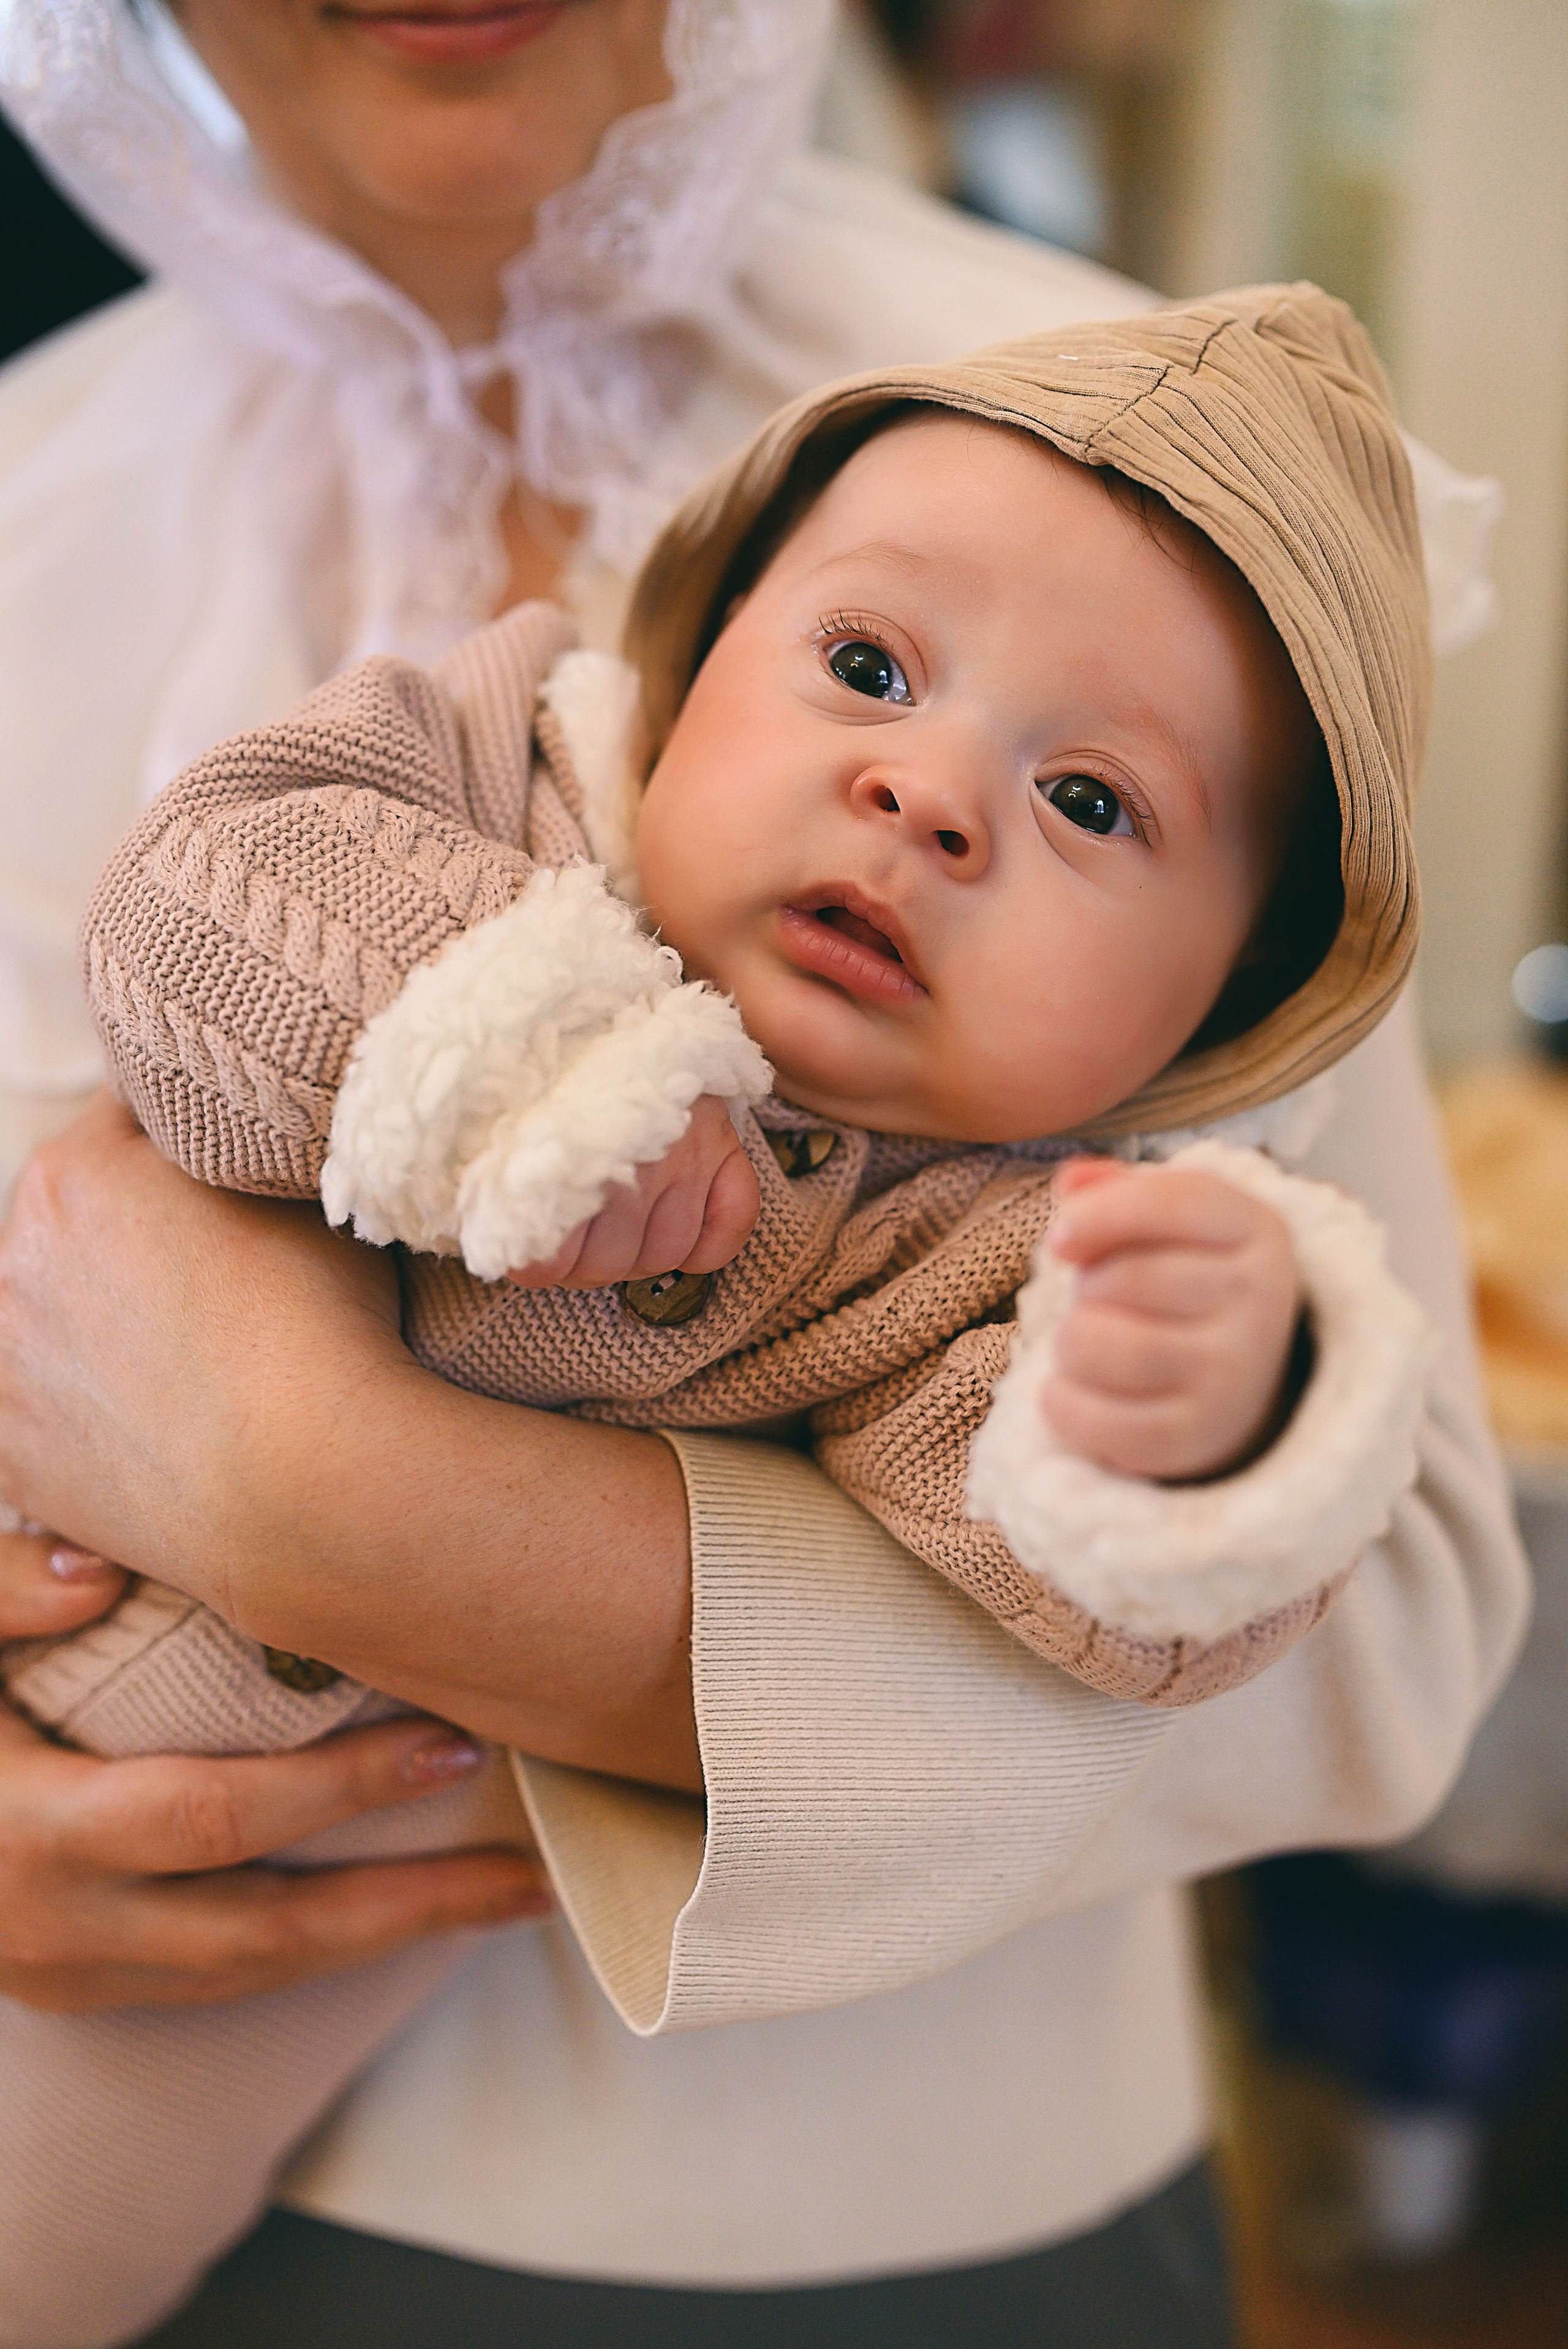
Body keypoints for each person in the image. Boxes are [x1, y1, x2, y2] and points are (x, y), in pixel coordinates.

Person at [0, 5, 1528, 2345]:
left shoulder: (1165, 479)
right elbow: (220, 928)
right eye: (862, 669)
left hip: (926, 2236)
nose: (929, 798)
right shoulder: (48, 504)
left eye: (1090, 806)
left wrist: (342, 1512)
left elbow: (1375, 1614)